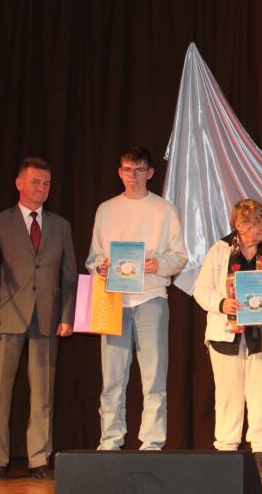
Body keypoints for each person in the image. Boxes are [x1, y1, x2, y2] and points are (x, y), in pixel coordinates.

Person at [0, 157, 77, 480]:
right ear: (19, 184)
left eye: (46, 183)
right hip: (6, 318)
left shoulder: (60, 226)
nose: (41, 188)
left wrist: (67, 315)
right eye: (35, 182)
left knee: (43, 393)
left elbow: (69, 275)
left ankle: (38, 459)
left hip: (46, 318)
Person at [85, 146, 188, 451]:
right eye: (128, 170)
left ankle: (152, 443)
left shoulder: (164, 210)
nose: (133, 176)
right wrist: (101, 266)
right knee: (112, 377)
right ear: (120, 173)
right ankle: (110, 440)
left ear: (150, 173)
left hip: (151, 298)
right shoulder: (106, 209)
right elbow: (93, 257)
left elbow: (180, 256)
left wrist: (159, 264)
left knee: (154, 377)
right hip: (113, 300)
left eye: (139, 169)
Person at [193, 200, 262, 479]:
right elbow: (201, 290)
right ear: (240, 225)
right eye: (256, 222)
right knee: (228, 396)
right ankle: (227, 452)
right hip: (226, 333)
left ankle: (260, 453)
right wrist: (221, 303)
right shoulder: (220, 250)